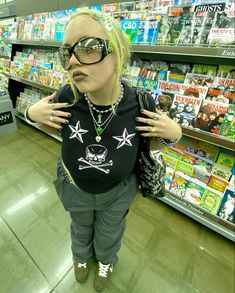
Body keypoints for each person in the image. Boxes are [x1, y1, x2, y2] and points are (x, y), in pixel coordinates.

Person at [24, 9, 182, 292]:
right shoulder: (66, 96)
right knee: (79, 226)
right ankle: (81, 256)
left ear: (118, 52)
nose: (72, 61)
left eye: (87, 47)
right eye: (67, 53)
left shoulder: (141, 102)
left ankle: (106, 259)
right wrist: (30, 113)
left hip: (118, 192)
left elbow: (156, 142)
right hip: (74, 186)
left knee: (110, 231)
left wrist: (175, 134)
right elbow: (46, 120)